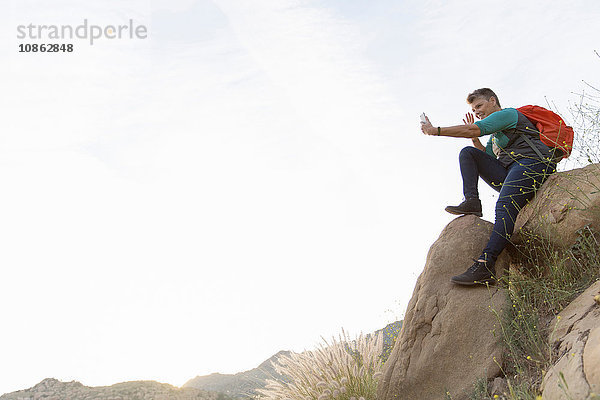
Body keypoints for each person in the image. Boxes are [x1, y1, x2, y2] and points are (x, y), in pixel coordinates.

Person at [420, 88, 557, 285]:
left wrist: (435, 131)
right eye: (474, 109)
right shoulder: (495, 139)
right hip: (512, 171)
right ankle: (472, 201)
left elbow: (473, 128)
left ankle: (486, 264)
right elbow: (488, 158)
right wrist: (475, 140)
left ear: (492, 100)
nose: (476, 112)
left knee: (504, 206)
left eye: (479, 106)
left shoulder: (508, 114)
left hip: (533, 163)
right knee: (469, 153)